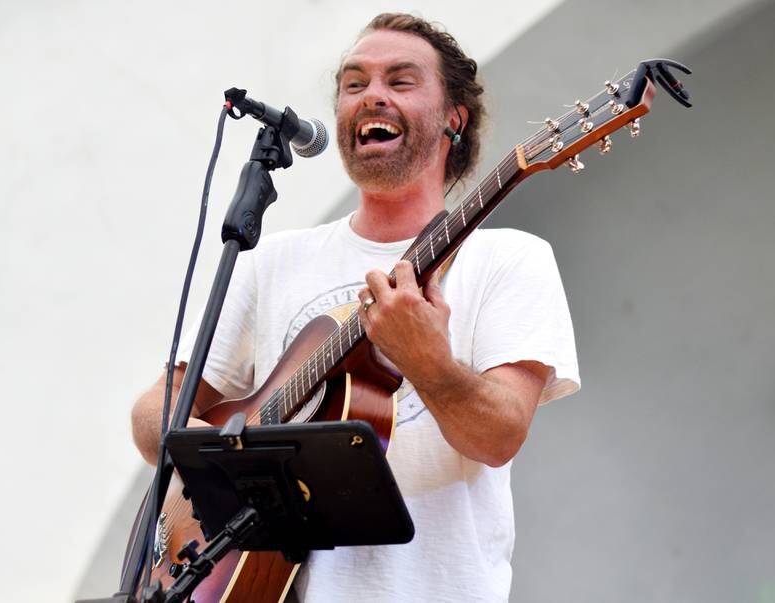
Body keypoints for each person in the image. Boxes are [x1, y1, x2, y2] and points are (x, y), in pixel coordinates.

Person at [131, 12, 579, 602]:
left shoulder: (508, 259)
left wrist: (426, 359)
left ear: (454, 118)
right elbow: (155, 411)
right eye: (354, 83)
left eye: (400, 81)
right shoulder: (271, 260)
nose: (372, 96)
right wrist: (220, 466)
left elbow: (497, 437)